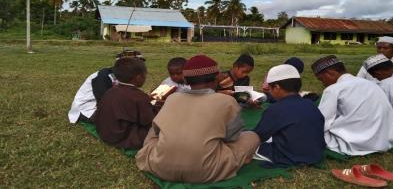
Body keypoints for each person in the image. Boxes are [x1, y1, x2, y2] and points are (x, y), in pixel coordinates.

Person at [136, 55, 260, 183]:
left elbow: (157, 131)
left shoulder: (172, 98)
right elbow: (232, 138)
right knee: (252, 137)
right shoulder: (227, 101)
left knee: (153, 131)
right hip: (206, 171)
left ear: (185, 79)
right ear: (217, 77)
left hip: (160, 166)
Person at [312, 55, 393, 155]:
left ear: (330, 73)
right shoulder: (371, 84)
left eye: (321, 79)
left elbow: (322, 121)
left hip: (354, 143)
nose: (323, 83)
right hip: (383, 140)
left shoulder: (333, 89)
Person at [253, 64, 326, 167]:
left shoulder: (275, 109)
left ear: (277, 87)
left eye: (269, 88)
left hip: (289, 157)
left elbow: (258, 136)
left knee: (251, 143)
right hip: (316, 155)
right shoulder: (310, 104)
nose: (269, 92)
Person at [67, 50, 145, 124]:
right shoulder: (102, 76)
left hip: (107, 105)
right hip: (87, 109)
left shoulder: (125, 77)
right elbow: (104, 102)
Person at [94, 57, 155, 149]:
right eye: (145, 75)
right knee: (159, 130)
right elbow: (149, 121)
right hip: (122, 138)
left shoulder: (110, 90)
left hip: (104, 133)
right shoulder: (139, 97)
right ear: (138, 77)